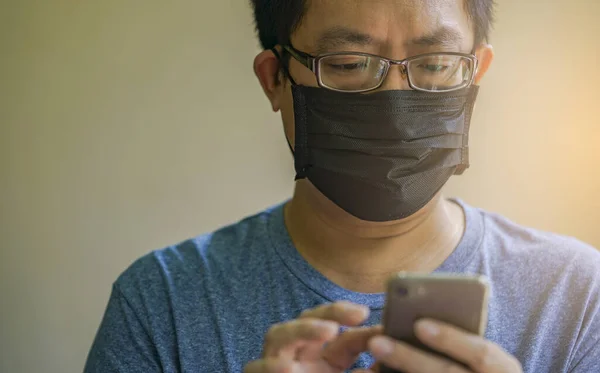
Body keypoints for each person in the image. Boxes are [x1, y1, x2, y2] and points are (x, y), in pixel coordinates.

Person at [84, 0, 600, 372]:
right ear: (275, 80)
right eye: (350, 65)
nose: (397, 97)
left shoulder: (575, 297)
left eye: (436, 65)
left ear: (475, 74)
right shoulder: (162, 303)